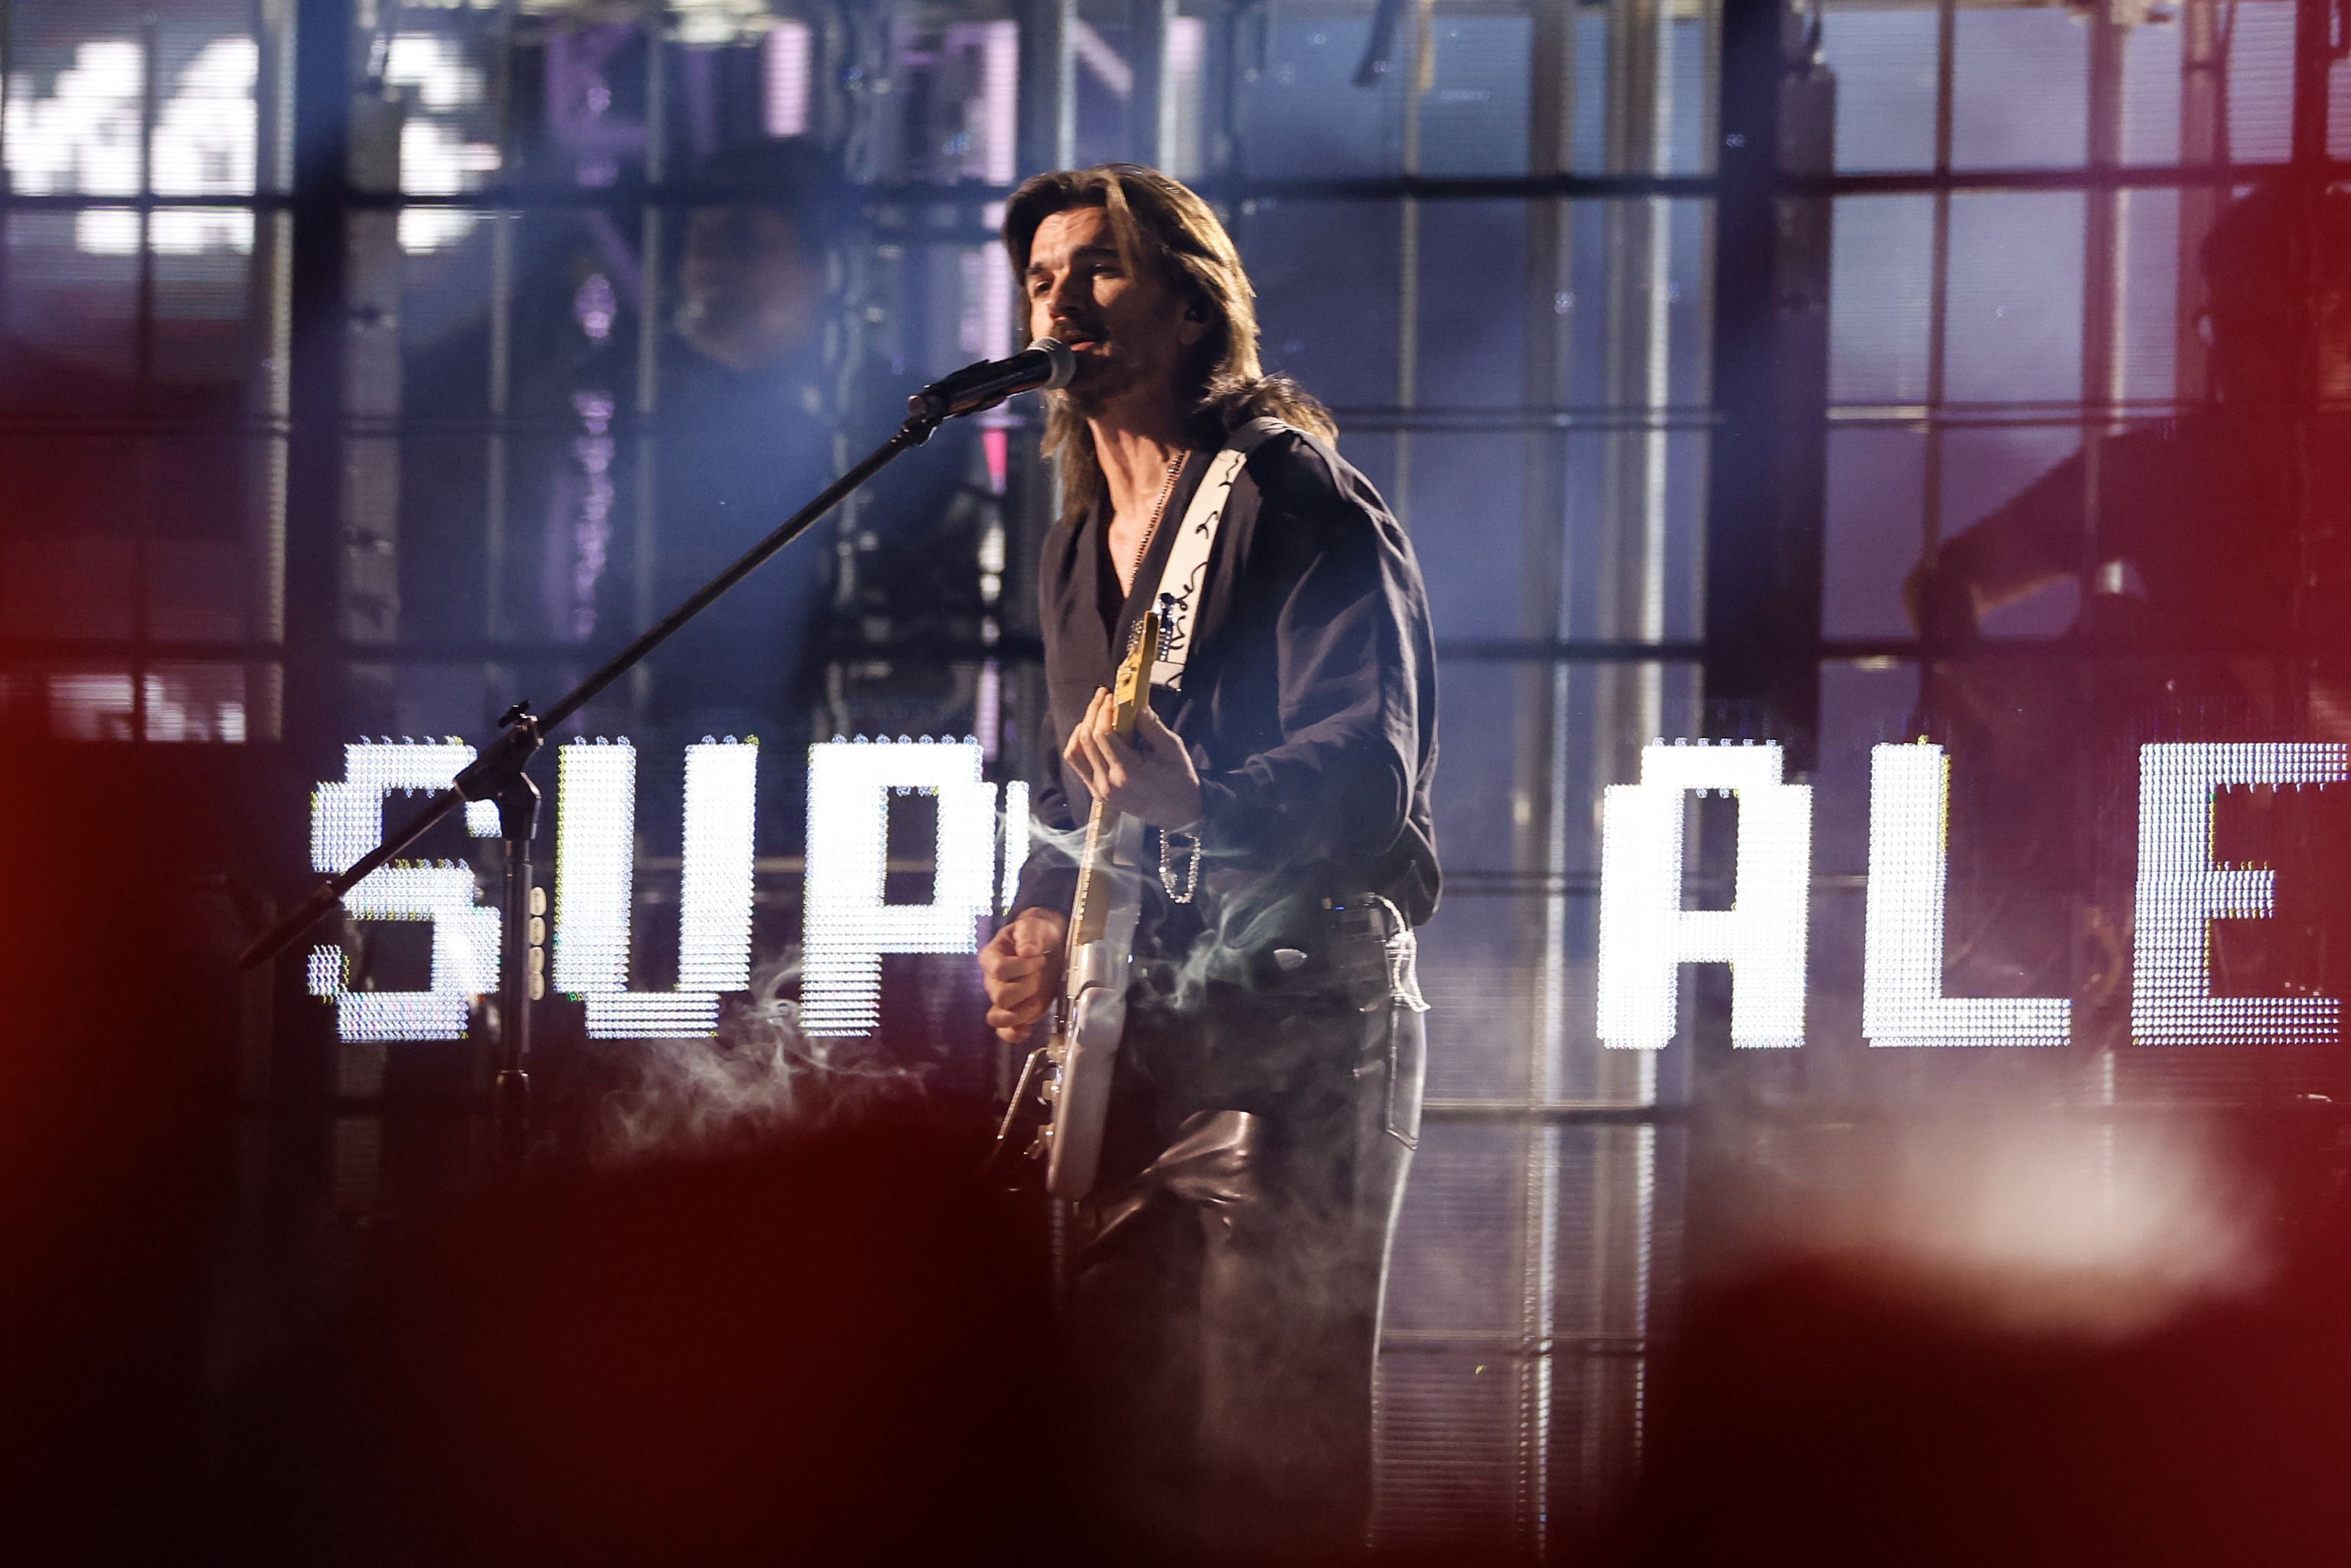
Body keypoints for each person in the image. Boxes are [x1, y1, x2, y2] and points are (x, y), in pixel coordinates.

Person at [975, 164, 1440, 1560]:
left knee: (1268, 1437)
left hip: (1293, 1023)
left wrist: (1207, 799)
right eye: (1041, 277)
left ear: (1187, 303)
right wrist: (1042, 917)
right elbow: (1081, 793)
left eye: (1096, 270)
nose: (1060, 301)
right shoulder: (1069, 546)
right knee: (1117, 1434)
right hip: (1135, 1040)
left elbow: (1374, 759)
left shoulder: (1285, 489)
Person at [1903, 181, 2351, 1013]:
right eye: (2229, 330)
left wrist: (2222, 664)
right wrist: (2005, 710)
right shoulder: (2169, 470)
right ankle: (2029, 943)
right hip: (2177, 911)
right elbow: (1949, 579)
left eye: (2264, 329)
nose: (2236, 359)